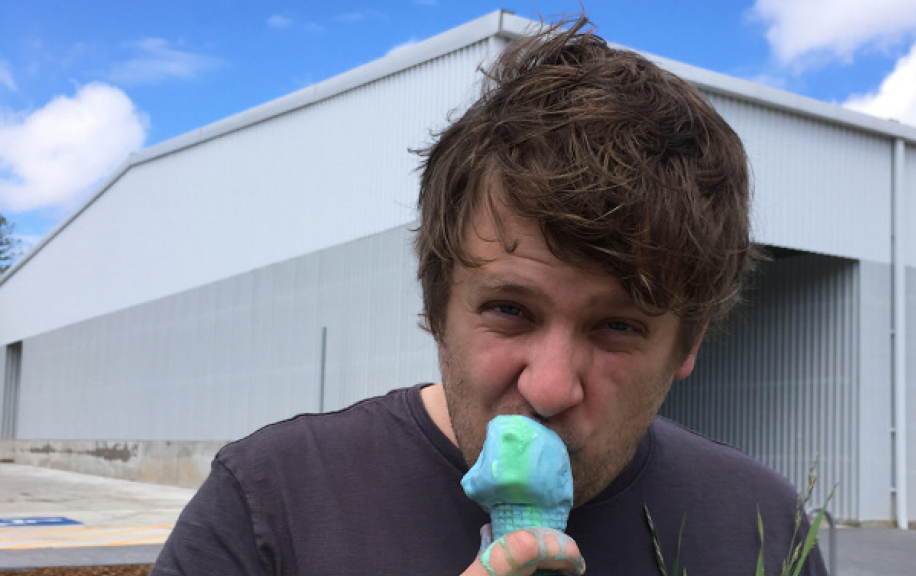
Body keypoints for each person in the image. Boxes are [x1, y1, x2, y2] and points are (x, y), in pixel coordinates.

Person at [151, 17, 828, 576]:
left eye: (618, 326)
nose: (552, 387)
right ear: (437, 303)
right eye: (509, 310)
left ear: (689, 343)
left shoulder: (761, 526)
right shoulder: (272, 505)